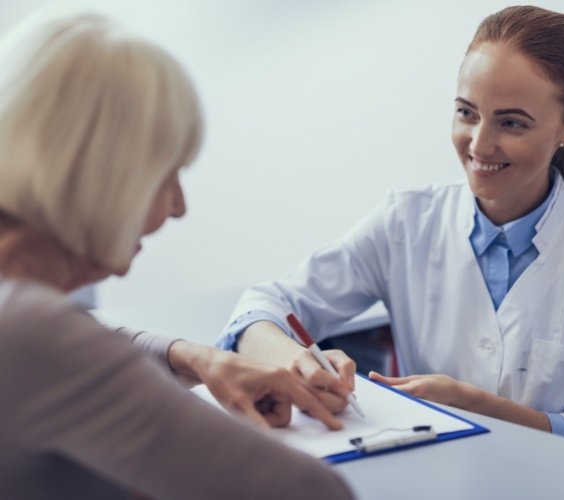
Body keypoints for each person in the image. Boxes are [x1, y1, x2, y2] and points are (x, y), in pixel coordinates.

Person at [219, 5, 564, 457]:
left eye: (512, 123)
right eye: (467, 113)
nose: (480, 144)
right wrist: (299, 364)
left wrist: (475, 405)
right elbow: (263, 306)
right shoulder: (406, 222)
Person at [0, 11, 354, 499]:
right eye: (166, 174)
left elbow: (80, 336)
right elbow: (313, 493)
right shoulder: (33, 335)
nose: (179, 207)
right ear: (101, 174)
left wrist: (195, 358)